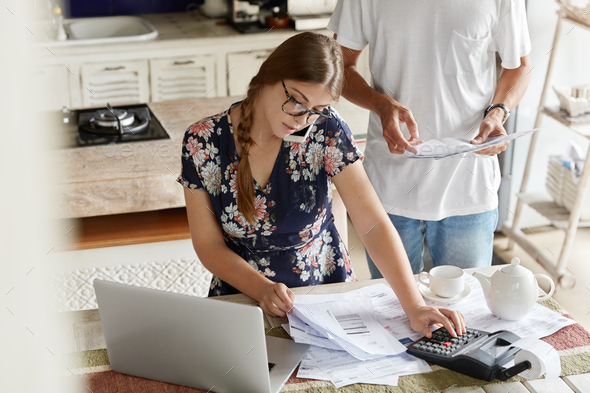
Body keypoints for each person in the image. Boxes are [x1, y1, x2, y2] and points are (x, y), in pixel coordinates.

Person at [177, 32, 465, 338]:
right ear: (267, 76)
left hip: (324, 297)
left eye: (316, 110)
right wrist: (261, 289)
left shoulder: (326, 130)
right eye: (297, 101)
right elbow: (208, 245)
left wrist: (414, 305)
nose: (303, 120)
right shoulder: (203, 140)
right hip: (240, 297)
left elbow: (372, 224)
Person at [328, 0, 532, 276]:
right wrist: (380, 104)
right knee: (393, 308)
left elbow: (518, 65)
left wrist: (498, 113)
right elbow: (338, 65)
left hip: (468, 185)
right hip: (389, 184)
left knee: (465, 309)